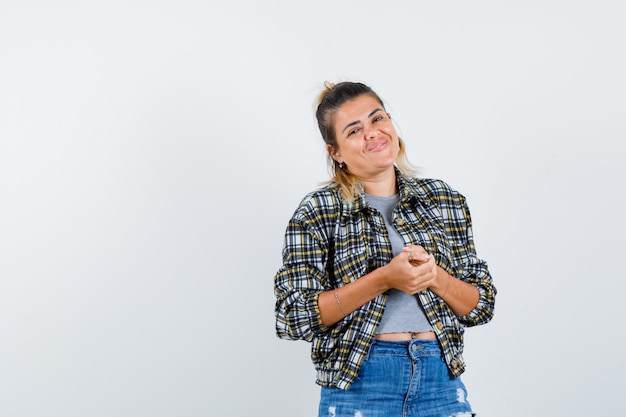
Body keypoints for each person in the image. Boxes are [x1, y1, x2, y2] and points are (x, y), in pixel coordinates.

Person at [274, 81, 496, 417]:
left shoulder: (443, 200)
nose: (373, 133)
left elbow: (481, 305)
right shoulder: (318, 212)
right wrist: (383, 279)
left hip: (441, 382)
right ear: (335, 152)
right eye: (354, 130)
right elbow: (293, 317)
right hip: (362, 385)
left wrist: (435, 277)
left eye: (377, 119)